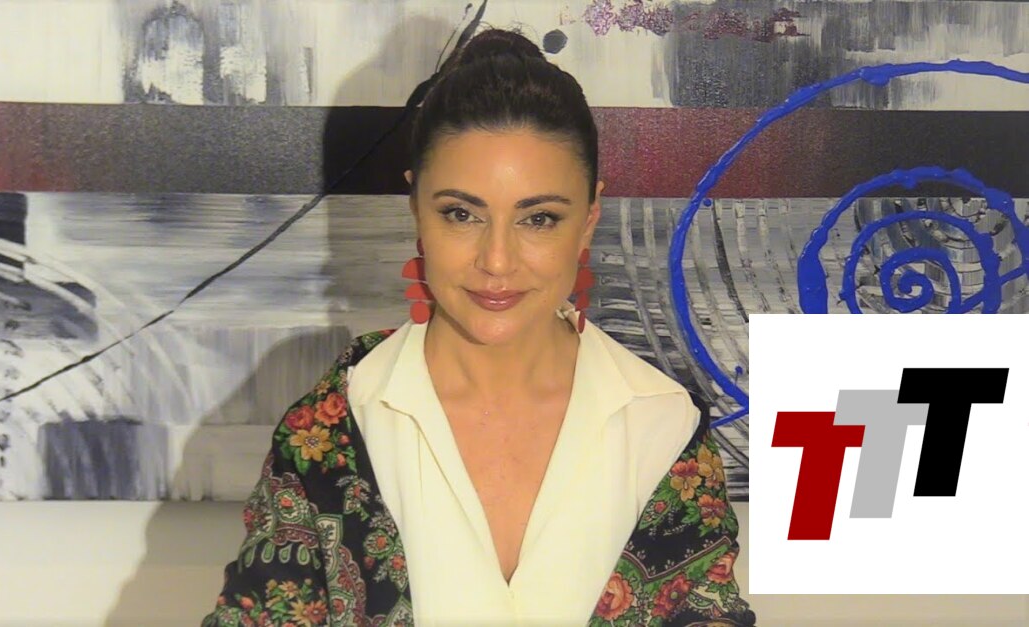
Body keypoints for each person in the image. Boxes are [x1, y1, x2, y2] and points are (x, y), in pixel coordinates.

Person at [203, 28, 755, 627]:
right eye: (461, 214)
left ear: (589, 218)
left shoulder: (661, 425)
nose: (496, 261)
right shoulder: (334, 429)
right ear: (417, 208)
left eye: (538, 218)